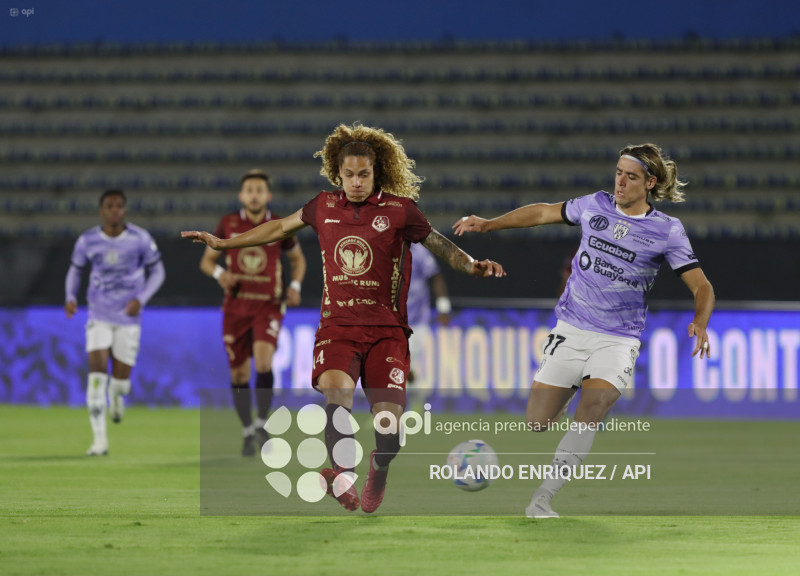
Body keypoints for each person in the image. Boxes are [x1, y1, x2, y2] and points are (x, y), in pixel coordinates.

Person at [183, 123, 505, 513]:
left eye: (363, 175)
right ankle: (344, 477)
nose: (355, 182)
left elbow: (440, 244)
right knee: (337, 395)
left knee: (389, 430)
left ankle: (379, 467)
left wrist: (472, 265)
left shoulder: (400, 212)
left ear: (376, 173)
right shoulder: (322, 206)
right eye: (348, 175)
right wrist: (224, 243)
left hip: (387, 332)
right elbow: (279, 227)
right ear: (338, 174)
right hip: (337, 328)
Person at [454, 143, 715, 518]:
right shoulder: (595, 204)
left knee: (592, 408)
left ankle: (542, 499)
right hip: (572, 328)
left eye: (631, 176)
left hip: (618, 339)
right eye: (619, 172)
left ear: (650, 183)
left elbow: (702, 286)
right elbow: (544, 212)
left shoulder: (667, 231)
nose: (621, 182)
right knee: (537, 423)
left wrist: (700, 321)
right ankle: (566, 393)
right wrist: (490, 223)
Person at [199, 169, 307, 457]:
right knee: (239, 373)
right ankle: (248, 428)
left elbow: (298, 260)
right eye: (250, 189)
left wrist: (295, 285)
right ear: (242, 195)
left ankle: (261, 420)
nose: (255, 194)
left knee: (262, 363)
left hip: (268, 305)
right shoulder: (229, 223)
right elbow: (208, 262)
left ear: (268, 195)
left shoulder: (279, 225)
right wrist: (221, 274)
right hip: (236, 307)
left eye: (260, 189)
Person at [65, 189, 165, 456]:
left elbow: (158, 271)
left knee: (119, 382)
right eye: (109, 206)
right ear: (102, 210)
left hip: (128, 318)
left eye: (119, 206)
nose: (114, 210)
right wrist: (70, 296)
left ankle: (118, 397)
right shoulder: (87, 240)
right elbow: (75, 270)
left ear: (124, 210)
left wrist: (141, 299)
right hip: (98, 315)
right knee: (96, 377)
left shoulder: (140, 239)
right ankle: (99, 442)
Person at [406, 242, 451, 388]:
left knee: (407, 369)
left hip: (417, 321)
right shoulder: (385, 248)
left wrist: (443, 307)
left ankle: (415, 400)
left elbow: (435, 277)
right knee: (397, 367)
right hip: (393, 320)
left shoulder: (419, 252)